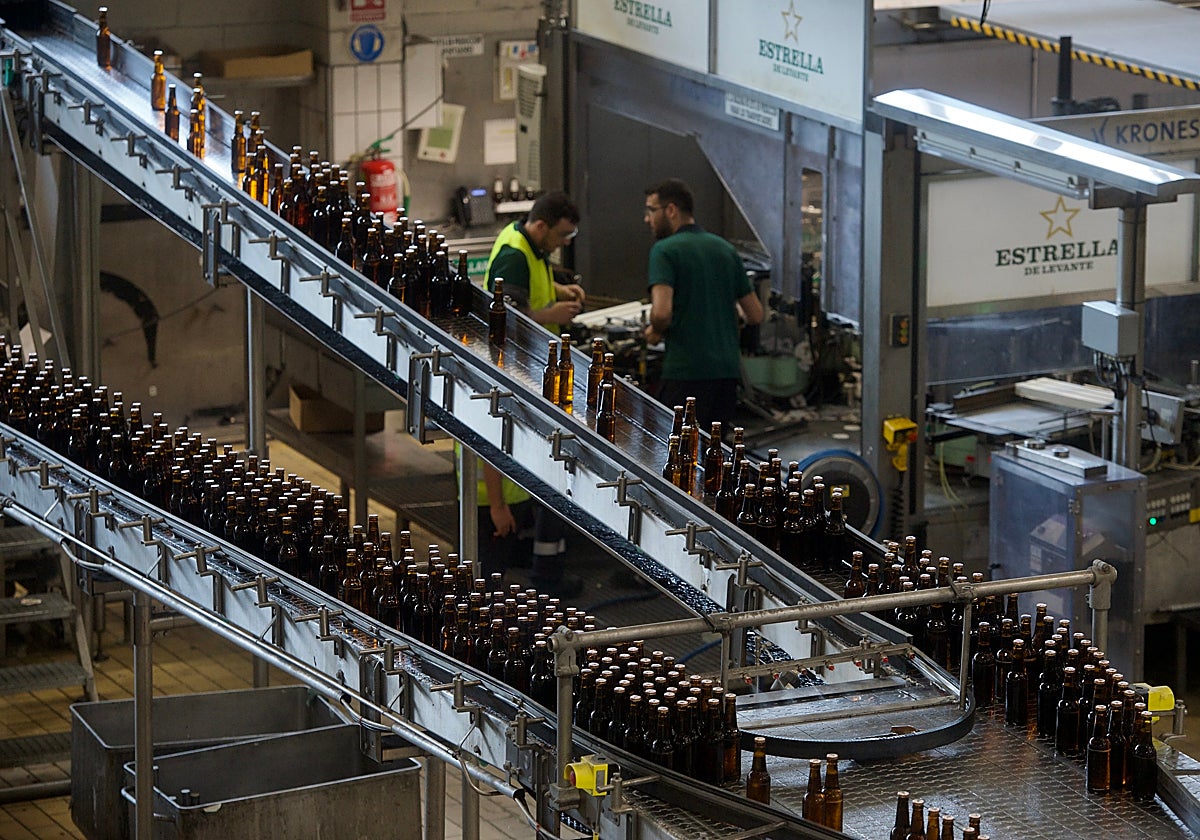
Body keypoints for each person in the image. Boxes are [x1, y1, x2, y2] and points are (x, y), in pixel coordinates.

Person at [473, 191, 585, 597]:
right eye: (562, 235)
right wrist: (550, 315)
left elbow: (529, 285)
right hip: (521, 375)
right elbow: (512, 316)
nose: (564, 243)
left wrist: (559, 289)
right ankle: (527, 587)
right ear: (541, 227)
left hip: (538, 373)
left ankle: (541, 578)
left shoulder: (527, 245)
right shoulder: (514, 253)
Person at [643, 178, 764, 427]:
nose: (647, 219)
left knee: (677, 455)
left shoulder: (664, 251)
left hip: (686, 372)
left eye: (650, 210)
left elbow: (662, 312)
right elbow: (755, 314)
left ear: (671, 210)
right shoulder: (725, 249)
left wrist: (653, 332)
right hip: (726, 375)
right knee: (714, 454)